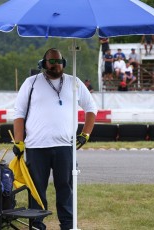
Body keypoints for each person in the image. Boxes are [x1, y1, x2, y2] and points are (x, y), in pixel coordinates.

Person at [12, 48, 97, 230]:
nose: (55, 65)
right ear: (43, 63)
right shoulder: (31, 83)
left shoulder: (74, 83)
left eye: (58, 61)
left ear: (64, 63)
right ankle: (37, 225)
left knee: (65, 188)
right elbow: (19, 114)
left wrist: (85, 134)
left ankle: (68, 225)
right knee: (36, 190)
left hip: (65, 146)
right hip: (36, 147)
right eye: (51, 61)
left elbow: (91, 108)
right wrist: (18, 141)